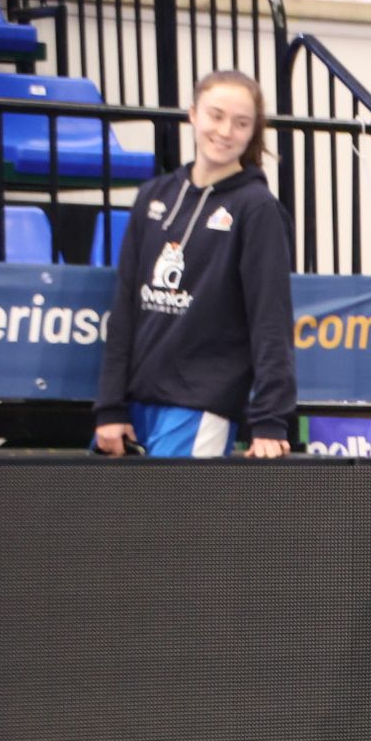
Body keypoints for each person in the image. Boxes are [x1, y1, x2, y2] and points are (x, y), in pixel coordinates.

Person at [94, 70, 294, 458]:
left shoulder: (257, 209)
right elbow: (124, 311)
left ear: (252, 132)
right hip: (136, 405)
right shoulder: (154, 194)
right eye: (215, 115)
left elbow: (271, 320)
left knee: (174, 520)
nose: (225, 131)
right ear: (193, 115)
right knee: (113, 520)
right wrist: (110, 405)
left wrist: (270, 418)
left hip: (200, 407)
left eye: (240, 123)